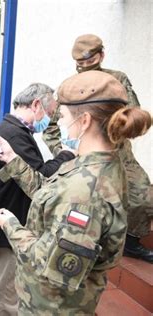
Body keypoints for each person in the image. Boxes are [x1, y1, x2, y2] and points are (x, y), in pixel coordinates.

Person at [0, 71, 152, 314]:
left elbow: (51, 267)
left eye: (62, 116)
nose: (60, 124)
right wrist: (12, 159)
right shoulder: (96, 164)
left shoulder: (86, 193)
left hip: (51, 307)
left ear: (84, 121)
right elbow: (52, 190)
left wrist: (12, 226)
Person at [44, 34, 153, 262]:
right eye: (80, 65)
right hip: (84, 157)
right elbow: (51, 129)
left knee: (143, 196)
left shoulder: (116, 81)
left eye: (90, 63)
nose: (85, 69)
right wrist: (65, 152)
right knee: (85, 203)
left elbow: (131, 114)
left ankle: (131, 241)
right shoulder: (70, 87)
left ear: (101, 56)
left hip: (120, 153)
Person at [0, 83, 76, 316]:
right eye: (49, 114)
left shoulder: (11, 129)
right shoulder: (15, 134)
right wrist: (67, 154)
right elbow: (39, 177)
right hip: (11, 222)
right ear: (36, 104)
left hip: (4, 217)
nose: (49, 120)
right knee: (6, 296)